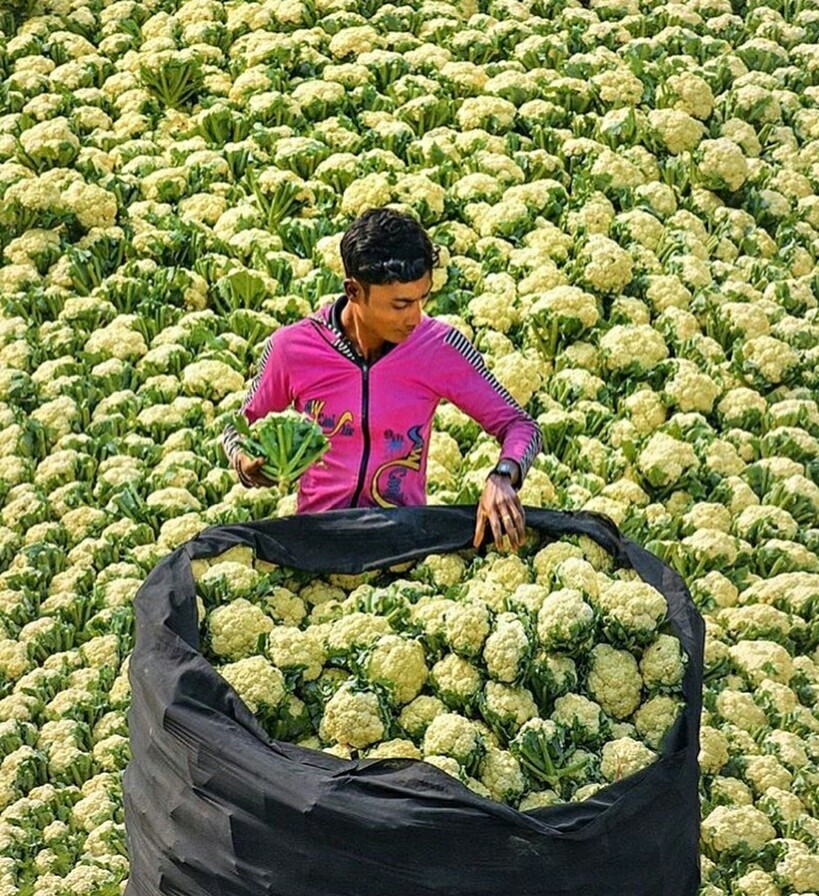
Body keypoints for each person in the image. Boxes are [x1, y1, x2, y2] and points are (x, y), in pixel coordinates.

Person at [222, 207, 543, 551]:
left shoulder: (440, 348)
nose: (415, 317)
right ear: (354, 291)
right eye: (400, 304)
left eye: (423, 298)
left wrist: (504, 475)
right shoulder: (292, 348)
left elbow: (520, 425)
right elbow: (238, 426)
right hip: (318, 539)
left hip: (403, 542)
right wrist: (244, 461)